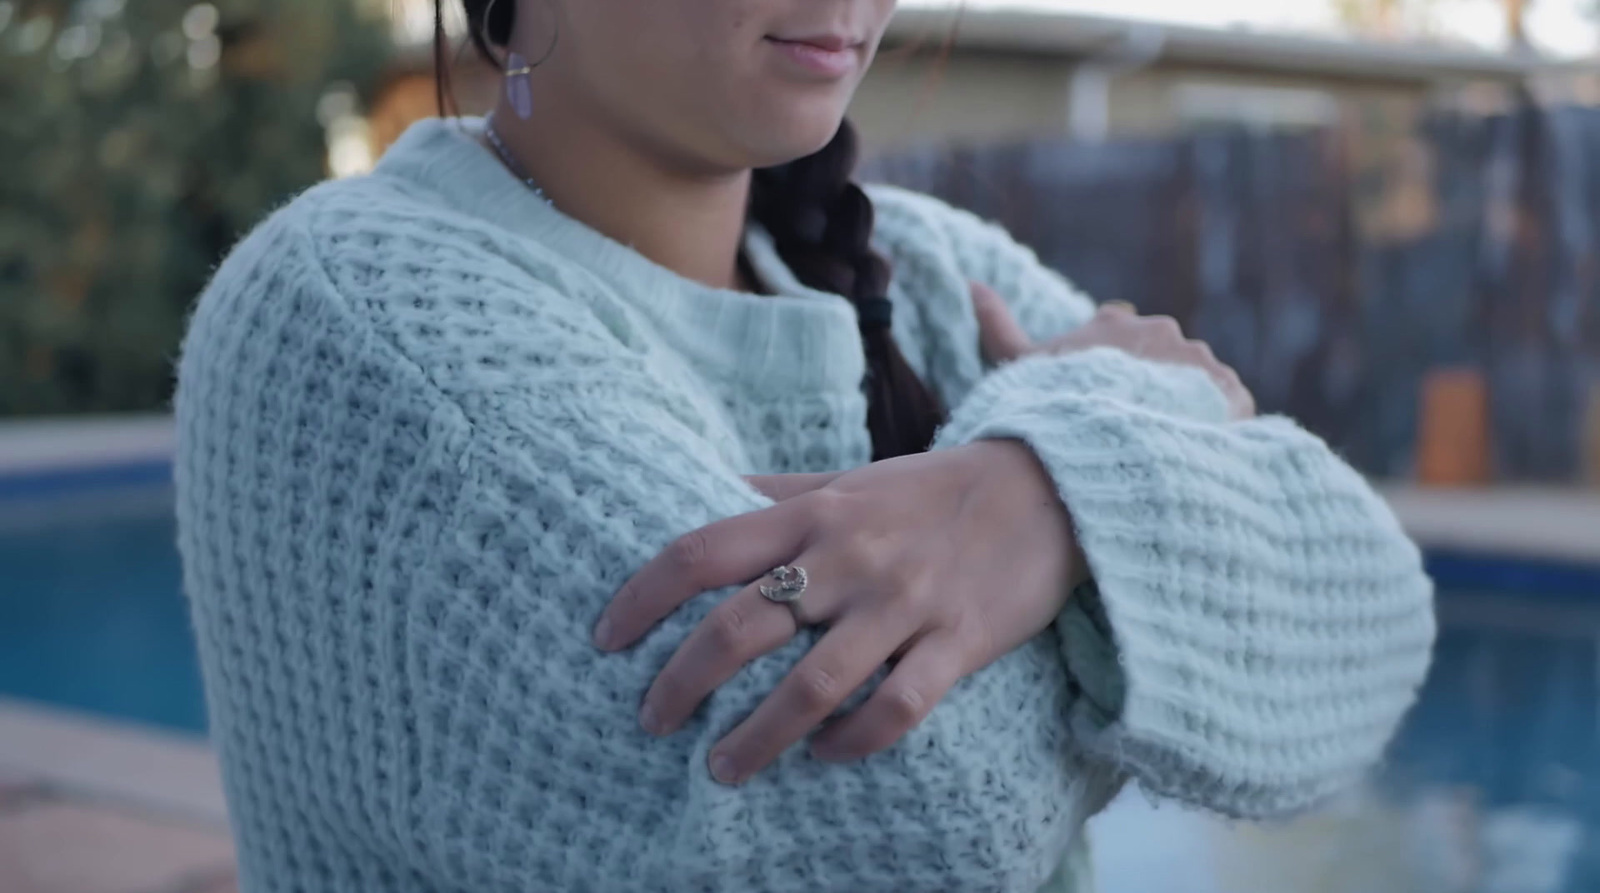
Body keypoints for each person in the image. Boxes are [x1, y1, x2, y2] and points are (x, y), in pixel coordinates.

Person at [172, 0, 1436, 890]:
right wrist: (1113, 512)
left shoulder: (930, 269)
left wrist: (1042, 493)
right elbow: (917, 815)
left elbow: (1371, 619)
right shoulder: (355, 309)